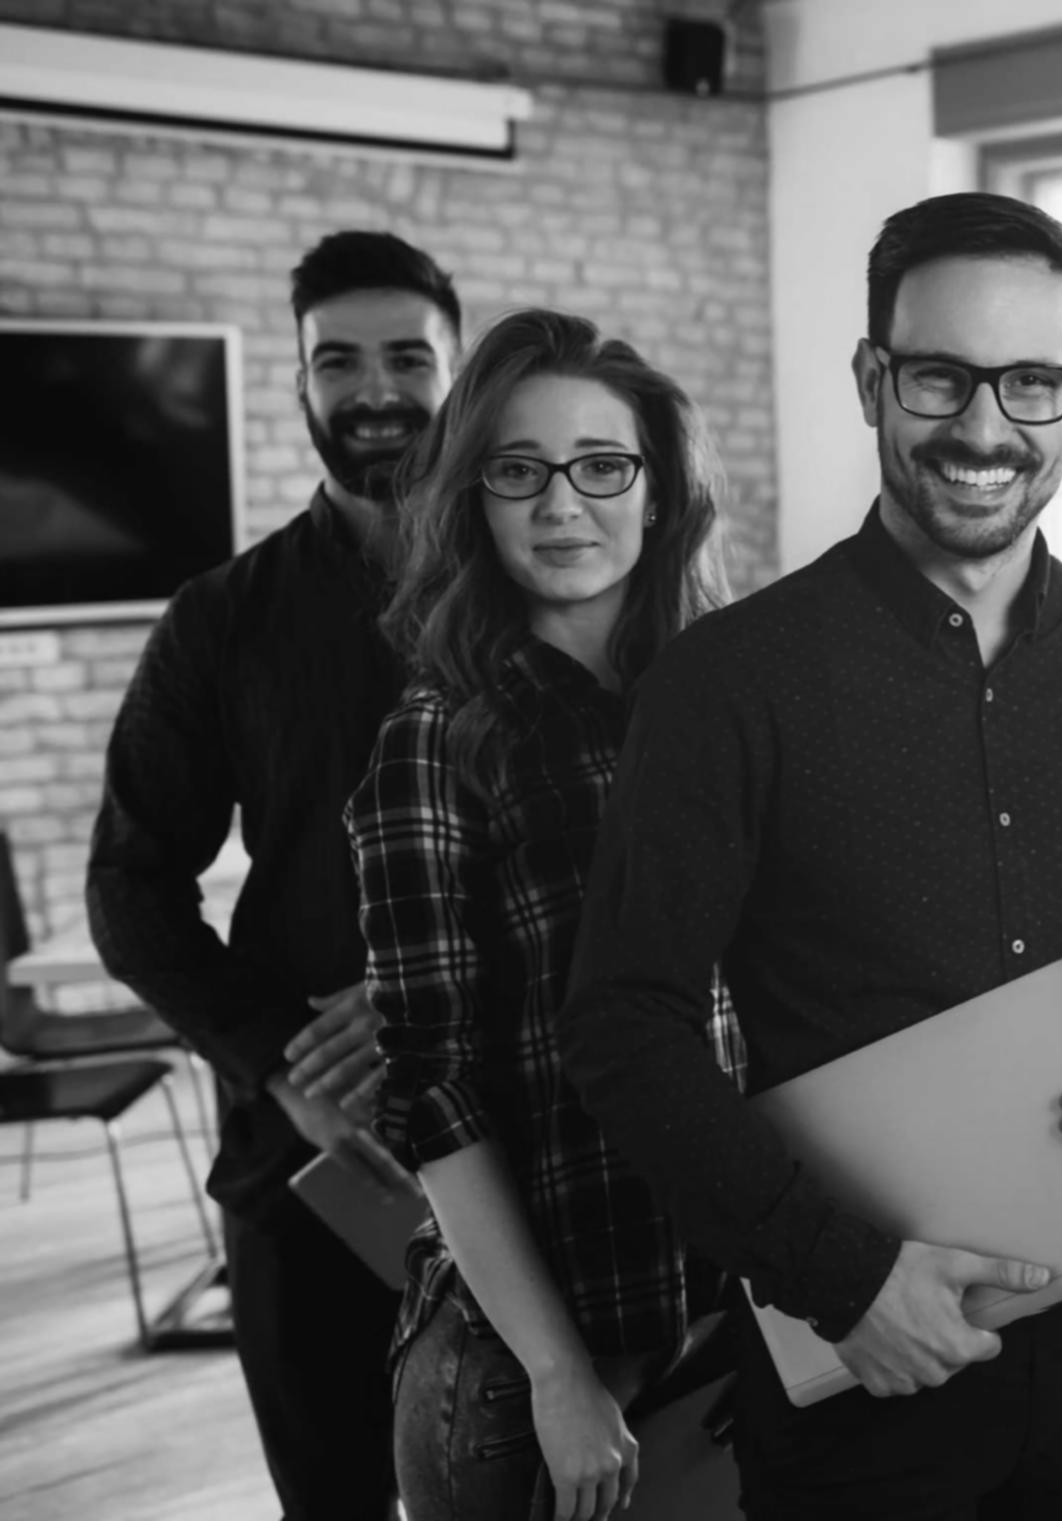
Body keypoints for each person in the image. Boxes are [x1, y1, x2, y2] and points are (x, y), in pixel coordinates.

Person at [556, 191, 1062, 1520]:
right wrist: (846, 1277)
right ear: (874, 379)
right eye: (942, 375)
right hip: (855, 1366)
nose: (987, 429)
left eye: (1033, 382)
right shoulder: (729, 684)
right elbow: (622, 1024)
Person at [86, 230, 460, 1520]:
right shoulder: (220, 620)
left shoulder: (552, 583)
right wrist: (285, 1069)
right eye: (337, 361)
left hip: (540, 1121)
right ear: (298, 385)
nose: (375, 390)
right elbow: (131, 892)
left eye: (408, 357)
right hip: (318, 1157)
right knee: (336, 1495)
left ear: (457, 374)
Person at [346, 309, 743, 1521]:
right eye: (520, 472)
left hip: (736, 1313)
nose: (563, 505)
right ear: (476, 496)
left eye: (602, 467)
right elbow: (434, 1089)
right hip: (534, 1374)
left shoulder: (726, 702)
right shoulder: (439, 736)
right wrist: (561, 1373)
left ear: (659, 490)